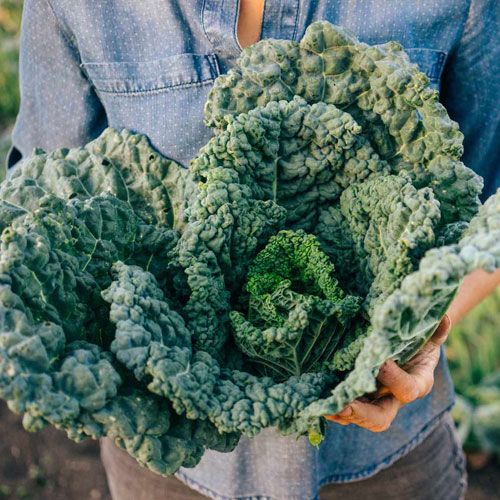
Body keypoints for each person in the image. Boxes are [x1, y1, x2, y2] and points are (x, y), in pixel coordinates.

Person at [9, 1, 499, 498]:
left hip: (387, 463)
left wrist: (416, 339)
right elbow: (42, 208)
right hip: (178, 477)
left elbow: (488, 213)